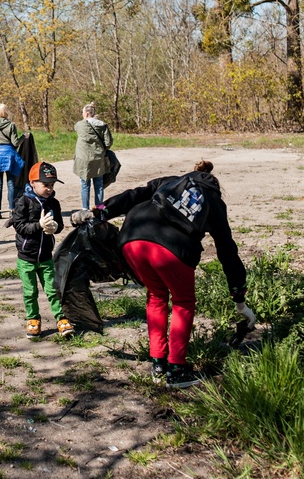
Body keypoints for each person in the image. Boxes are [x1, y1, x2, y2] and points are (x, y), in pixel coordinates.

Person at [71, 160, 255, 388]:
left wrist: (99, 211)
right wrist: (239, 297)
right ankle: (177, 370)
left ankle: (158, 364)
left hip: (131, 240)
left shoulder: (169, 181)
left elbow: (133, 195)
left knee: (156, 296)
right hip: (171, 249)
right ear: (215, 187)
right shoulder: (214, 201)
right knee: (183, 301)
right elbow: (227, 251)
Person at [9, 161, 74, 339]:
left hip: (45, 256)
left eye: (52, 185)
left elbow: (60, 225)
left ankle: (61, 318)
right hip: (27, 258)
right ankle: (33, 320)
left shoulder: (54, 203)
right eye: (45, 185)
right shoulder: (23, 202)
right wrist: (38, 225)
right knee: (30, 292)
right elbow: (20, 226)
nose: (49, 189)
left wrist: (54, 228)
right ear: (33, 183)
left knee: (53, 289)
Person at [73, 102, 113, 210]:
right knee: (98, 184)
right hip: (98, 158)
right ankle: (99, 207)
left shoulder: (79, 125)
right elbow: (108, 142)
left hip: (83, 159)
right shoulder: (102, 125)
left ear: (85, 114)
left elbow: (78, 127)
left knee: (85, 185)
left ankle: (85, 209)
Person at [0, 103, 24, 219]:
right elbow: (15, 143)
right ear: (6, 112)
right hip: (8, 155)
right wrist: (24, 137)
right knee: (11, 183)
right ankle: (12, 210)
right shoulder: (11, 125)